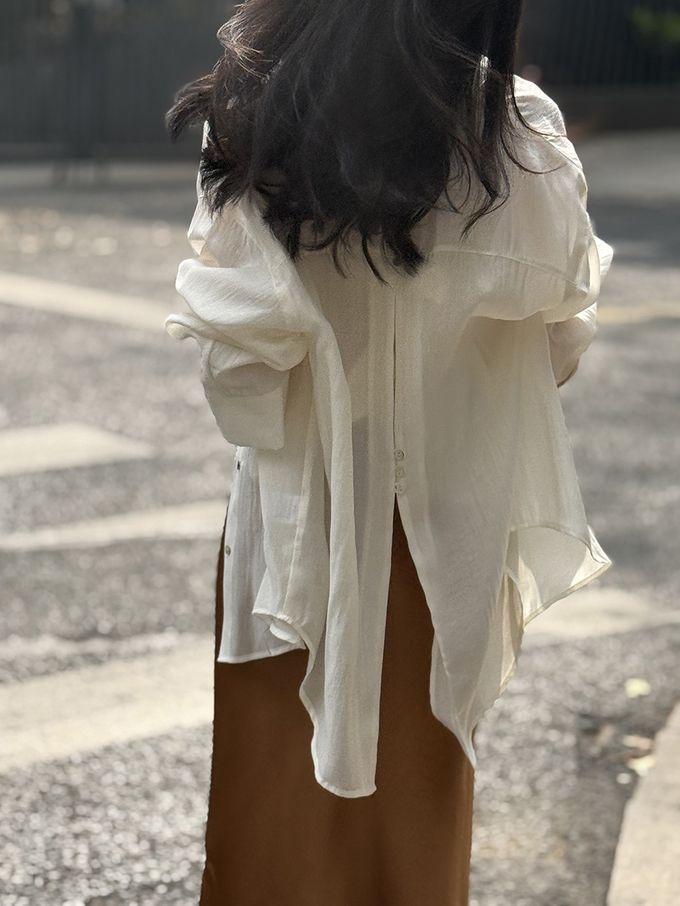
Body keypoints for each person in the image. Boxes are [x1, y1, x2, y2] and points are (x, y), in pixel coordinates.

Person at [164, 1, 614, 903]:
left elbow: (241, 385)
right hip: (441, 539)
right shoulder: (514, 133)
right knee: (413, 843)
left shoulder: (256, 112)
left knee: (270, 833)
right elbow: (557, 348)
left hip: (293, 539)